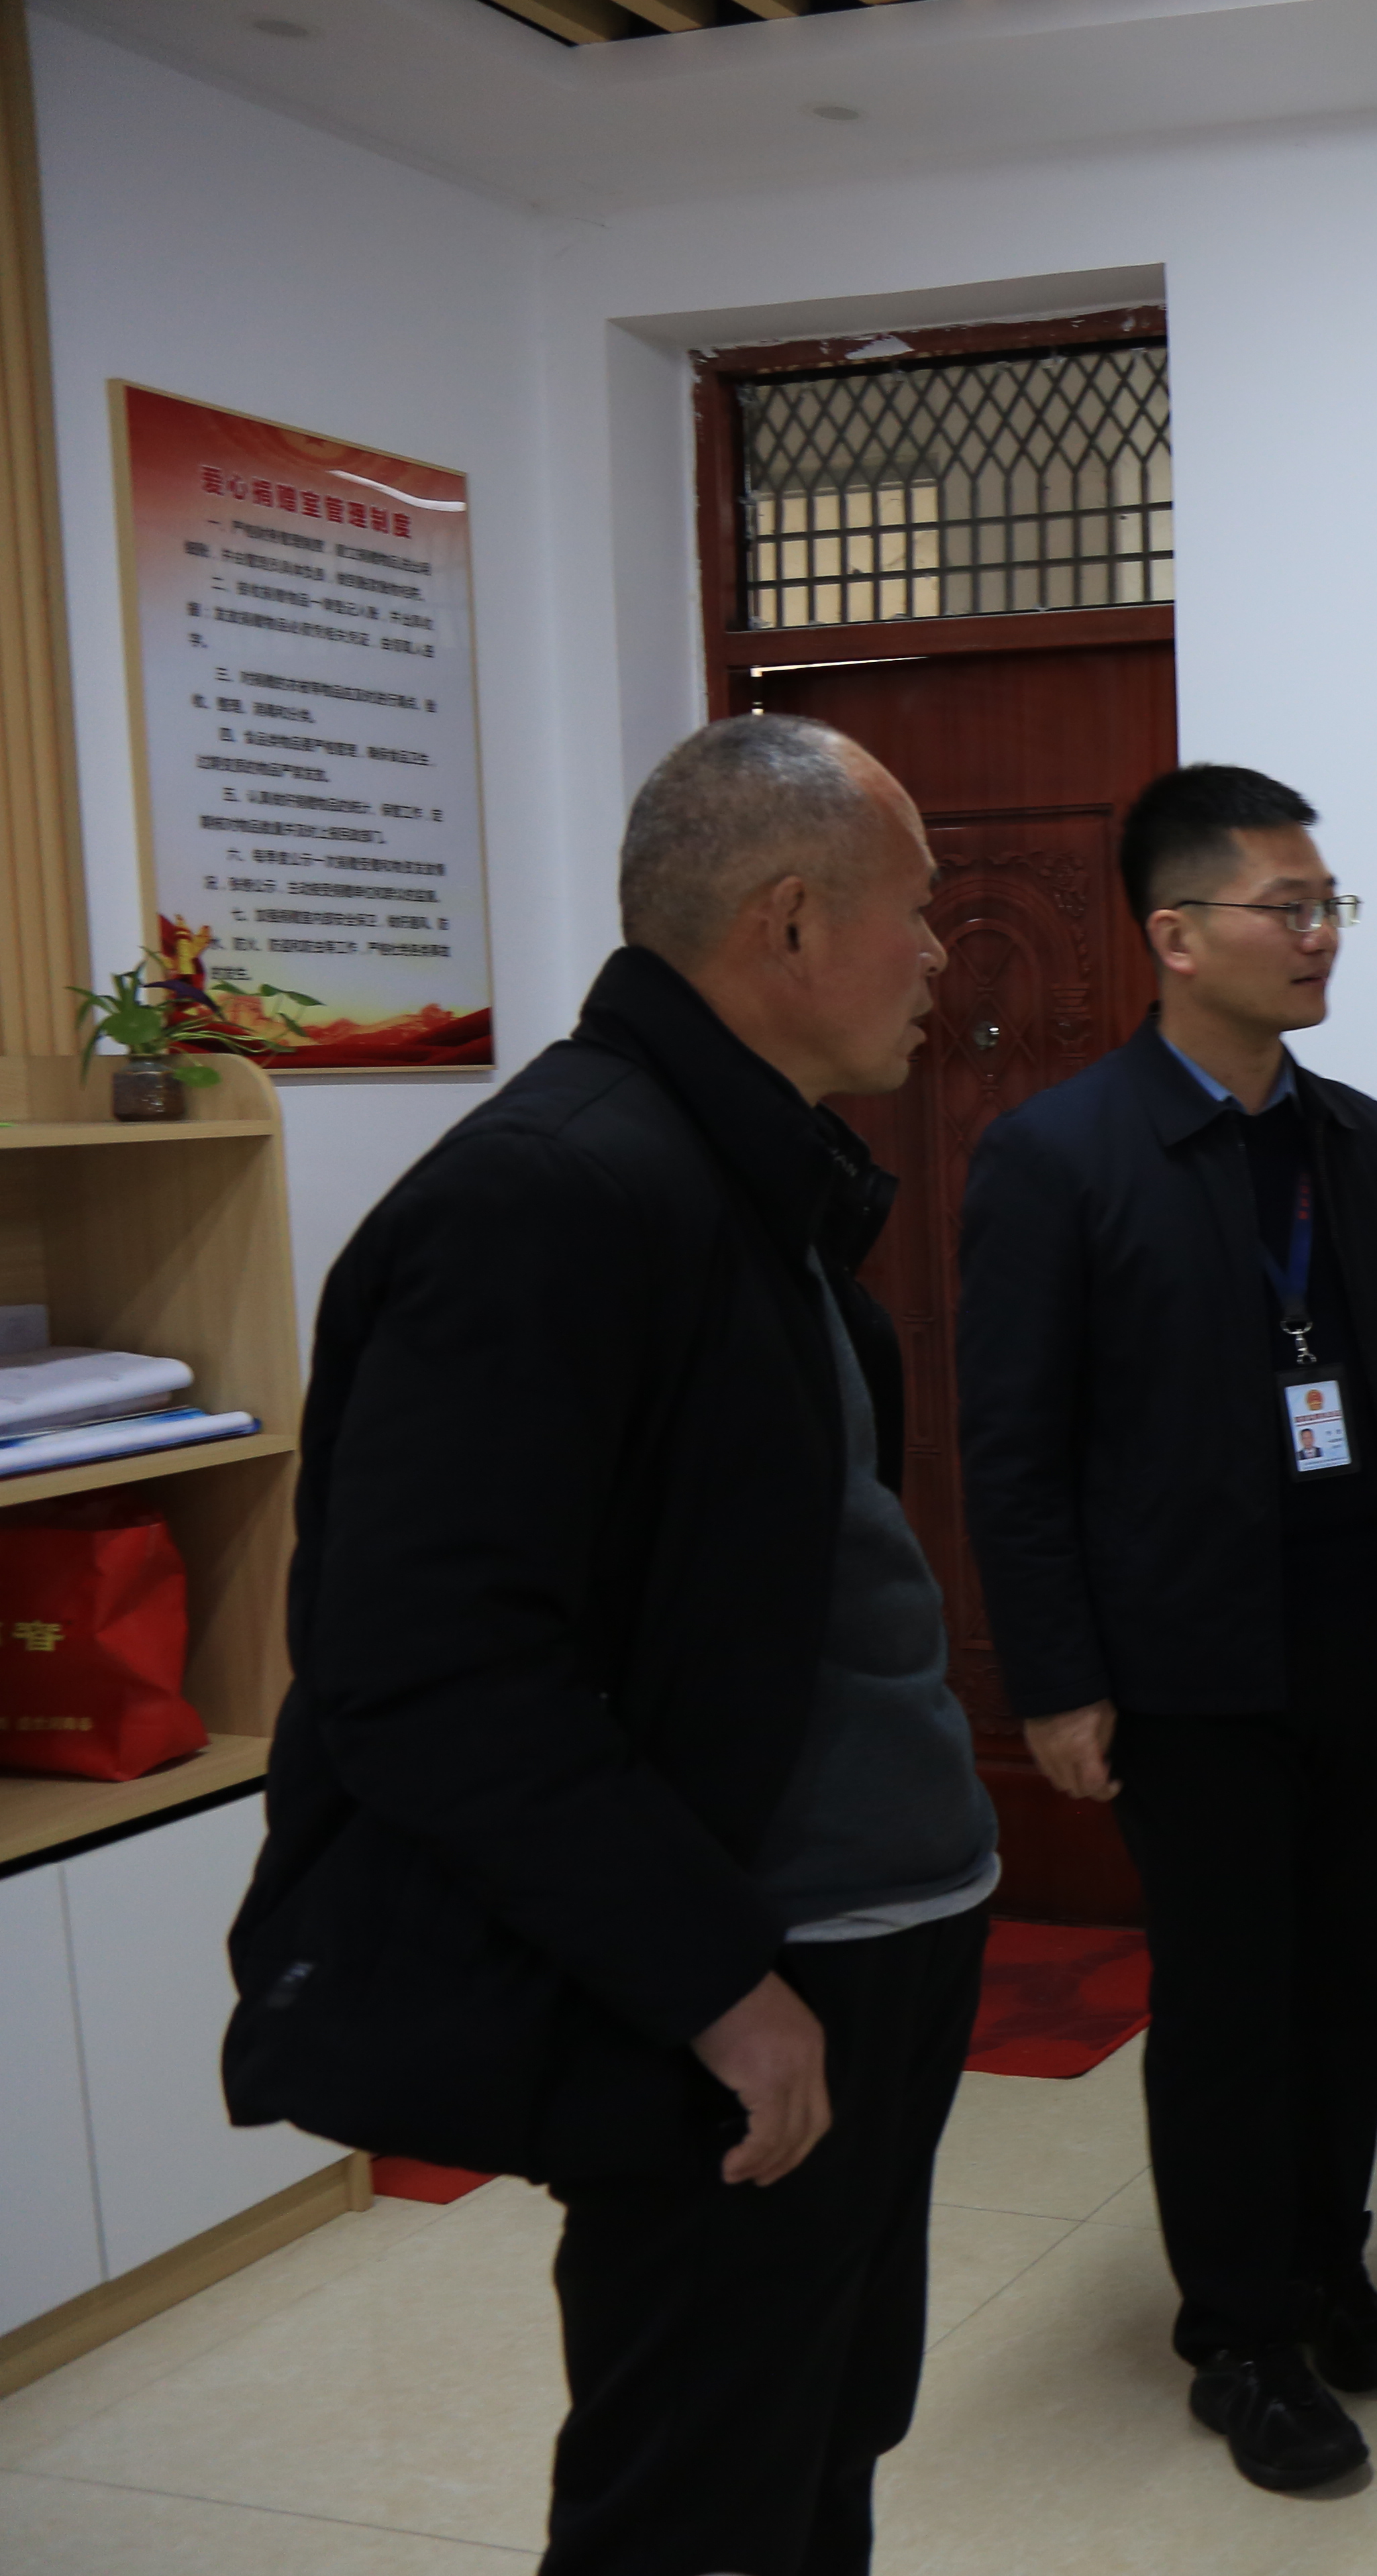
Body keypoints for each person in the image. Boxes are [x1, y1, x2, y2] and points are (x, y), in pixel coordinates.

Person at [223, 712, 996, 2575]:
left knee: (822, 2439)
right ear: (789, 922)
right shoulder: (549, 1197)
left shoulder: (746, 1176)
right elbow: (429, 1674)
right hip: (746, 1967)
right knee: (696, 2497)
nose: (940, 958)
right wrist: (720, 1984)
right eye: (915, 911)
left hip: (871, 1942)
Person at [958, 761, 1377, 2498]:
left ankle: (1329, 2266)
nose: (1319, 935)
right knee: (1226, 2008)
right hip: (1186, 1662)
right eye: (1290, 908)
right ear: (1177, 935)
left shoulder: (1348, 1138)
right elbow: (1011, 1450)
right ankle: (1241, 2338)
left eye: (1328, 905)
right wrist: (1056, 1681)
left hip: (1356, 1630)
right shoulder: (1059, 1155)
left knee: (1350, 1989)